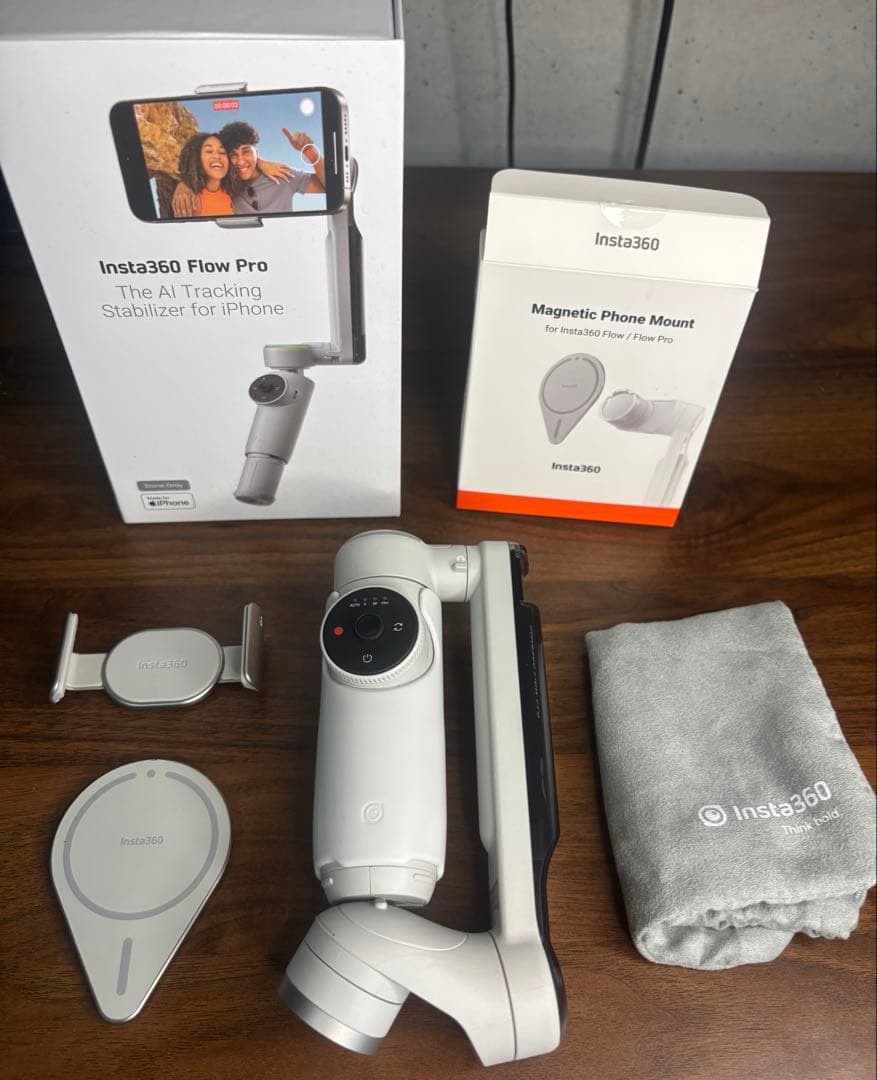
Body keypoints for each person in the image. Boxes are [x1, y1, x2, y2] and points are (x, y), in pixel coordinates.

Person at [172, 120, 325, 218]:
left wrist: (310, 151)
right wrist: (184, 185)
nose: (240, 161)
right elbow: (203, 175)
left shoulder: (282, 174)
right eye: (233, 154)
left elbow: (330, 187)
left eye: (246, 151)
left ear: (257, 152)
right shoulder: (227, 182)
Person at [174, 132, 234, 218]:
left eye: (222, 152)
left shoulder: (232, 192)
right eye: (209, 151)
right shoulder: (191, 200)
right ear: (197, 158)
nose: (217, 156)